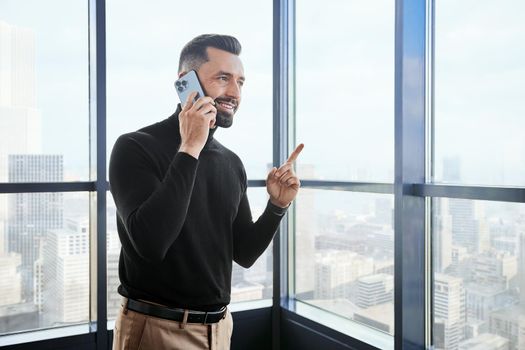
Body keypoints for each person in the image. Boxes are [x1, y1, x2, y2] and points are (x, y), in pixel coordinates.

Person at [109, 34, 303, 350]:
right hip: (156, 331)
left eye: (241, 82)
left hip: (219, 330)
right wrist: (190, 147)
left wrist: (276, 206)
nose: (235, 92)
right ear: (186, 83)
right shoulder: (134, 147)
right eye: (223, 78)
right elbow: (150, 243)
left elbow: (244, 253)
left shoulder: (231, 162)